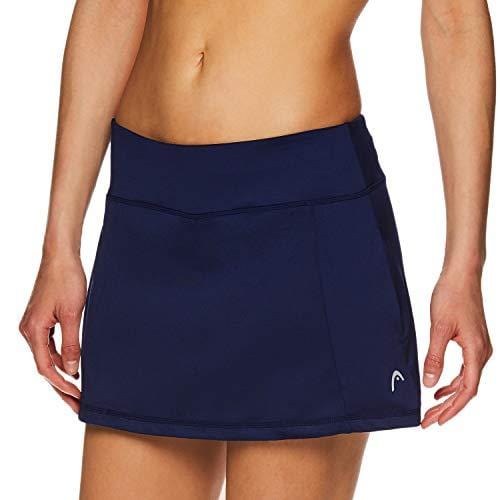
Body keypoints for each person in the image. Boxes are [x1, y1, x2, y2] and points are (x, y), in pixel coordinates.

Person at [19, 1, 494, 498]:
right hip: (148, 213)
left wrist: (464, 266)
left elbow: (454, 18)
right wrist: (59, 246)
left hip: (301, 220)